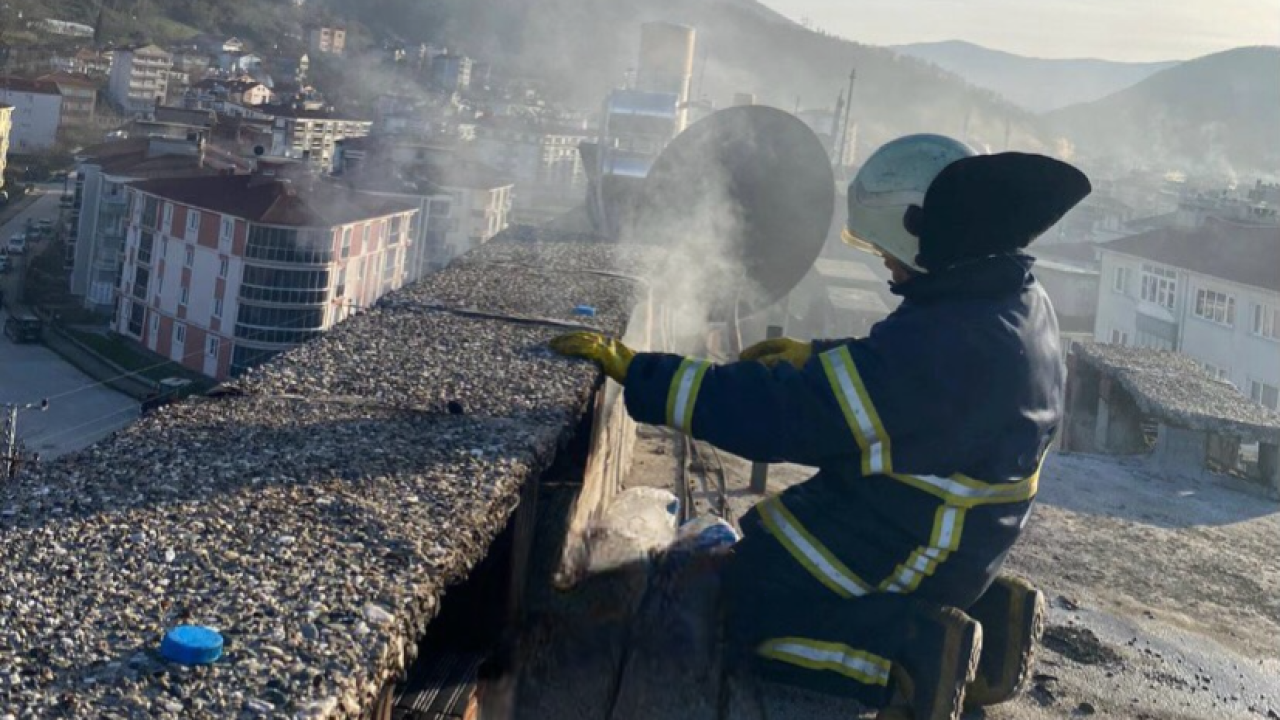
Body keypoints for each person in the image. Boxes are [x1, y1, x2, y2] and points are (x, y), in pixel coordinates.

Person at [551, 134, 1090, 720]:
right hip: (967, 542)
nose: (885, 262)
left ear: (923, 232)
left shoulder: (948, 342)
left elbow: (780, 416)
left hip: (912, 543)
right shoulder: (1013, 302)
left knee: (747, 608)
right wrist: (816, 355)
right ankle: (989, 622)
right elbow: (904, 374)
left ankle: (911, 653)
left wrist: (646, 375)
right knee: (771, 559)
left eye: (888, 250)